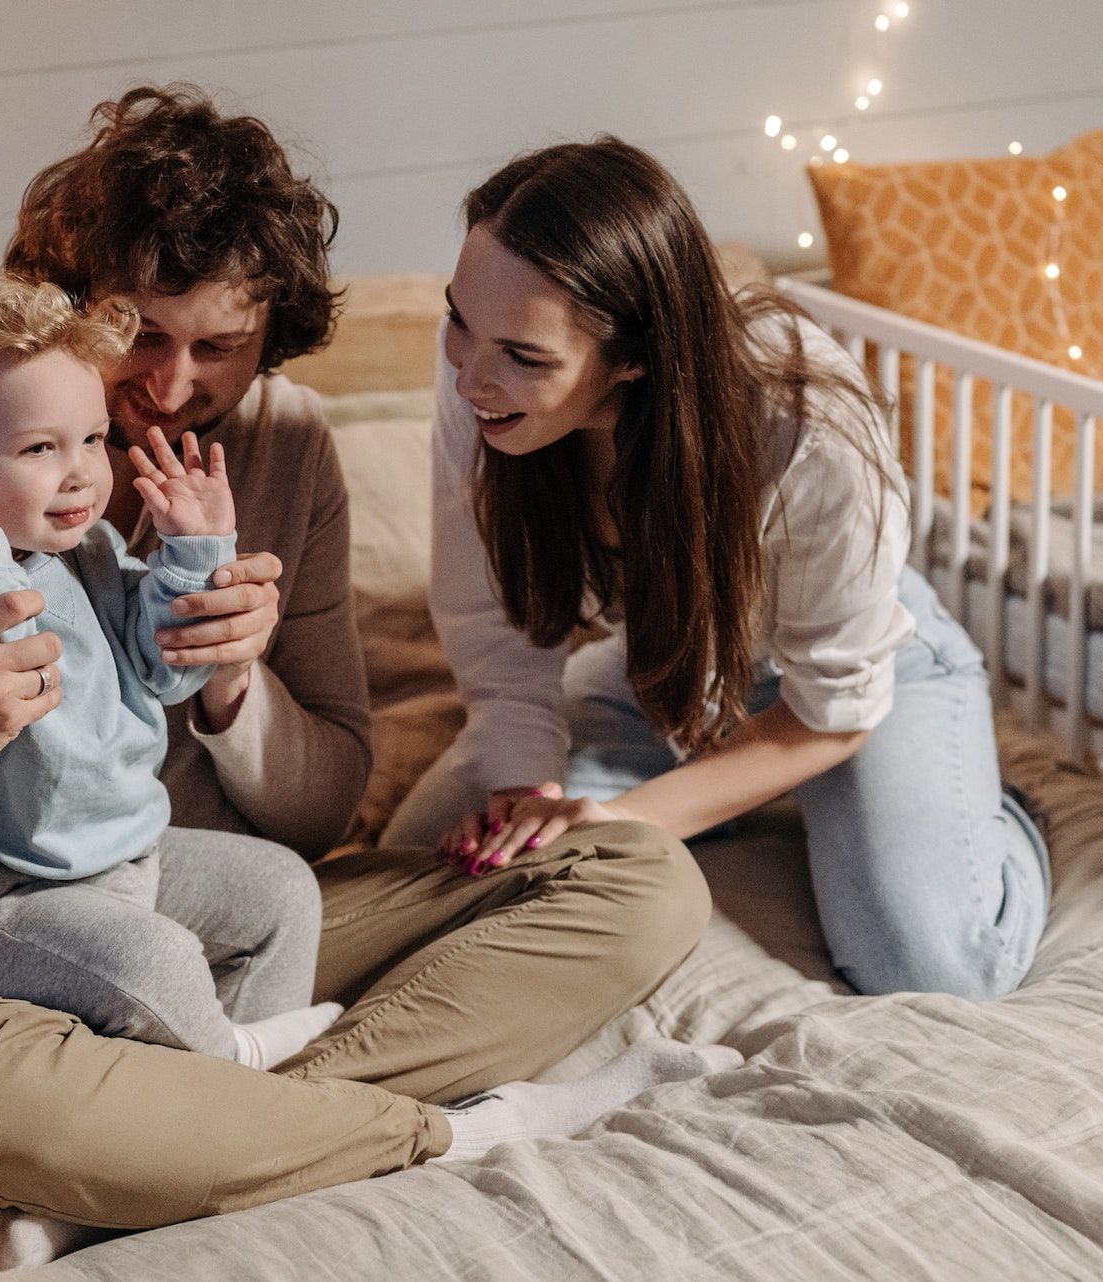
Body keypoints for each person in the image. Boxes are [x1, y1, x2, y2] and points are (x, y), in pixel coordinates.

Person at [0, 86, 722, 1263]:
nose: (170, 389)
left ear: (269, 339)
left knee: (642, 876)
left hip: (214, 914)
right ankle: (443, 1126)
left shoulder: (285, 444)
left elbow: (322, 815)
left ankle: (156, 1151)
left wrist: (236, 686)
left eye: (217, 347)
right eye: (139, 338)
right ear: (72, 316)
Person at [381, 137, 1051, 1002]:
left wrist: (617, 818)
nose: (471, 376)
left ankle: (995, 818)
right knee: (436, 869)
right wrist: (529, 791)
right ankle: (735, 797)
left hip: (842, 678)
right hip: (668, 669)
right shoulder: (480, 373)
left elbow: (831, 712)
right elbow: (497, 638)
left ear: (634, 356)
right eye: (459, 321)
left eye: (525, 358)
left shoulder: (808, 424)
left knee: (931, 964)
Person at [0, 273, 342, 1069]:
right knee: (156, 963)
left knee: (283, 890)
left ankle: (233, 1101)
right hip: (2, 900)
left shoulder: (87, 555)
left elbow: (166, 674)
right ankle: (240, 1063)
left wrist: (196, 551)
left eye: (91, 439)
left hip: (124, 858)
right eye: (40, 448)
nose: (82, 472)